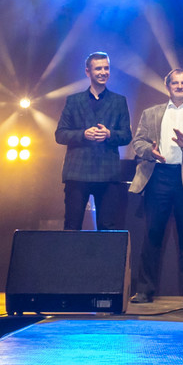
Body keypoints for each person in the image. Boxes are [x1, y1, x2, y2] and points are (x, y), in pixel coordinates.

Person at [128, 69, 183, 304]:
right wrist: (150, 152)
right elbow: (138, 142)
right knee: (152, 234)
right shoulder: (151, 113)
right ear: (167, 86)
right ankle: (144, 290)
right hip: (158, 176)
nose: (179, 86)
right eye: (175, 83)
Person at [55, 51, 132, 231]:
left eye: (106, 68)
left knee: (107, 226)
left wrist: (109, 134)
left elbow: (127, 136)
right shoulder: (74, 101)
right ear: (88, 72)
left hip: (107, 172)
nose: (103, 72)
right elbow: (60, 134)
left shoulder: (119, 101)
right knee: (72, 225)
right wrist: (83, 134)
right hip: (77, 172)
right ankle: (71, 252)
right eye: (98, 68)